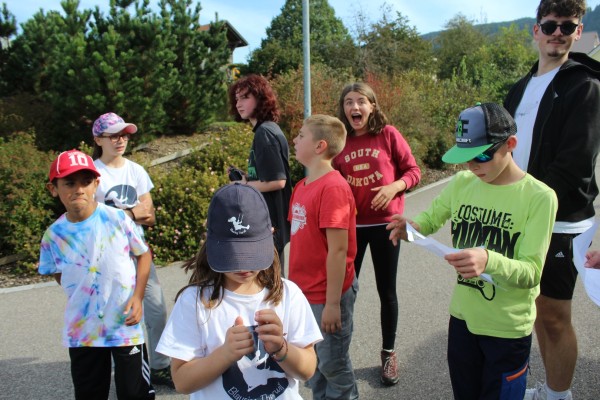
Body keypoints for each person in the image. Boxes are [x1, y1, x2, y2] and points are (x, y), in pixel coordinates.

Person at [387, 103, 558, 400]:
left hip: (507, 330)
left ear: (510, 144)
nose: (472, 166)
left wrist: (489, 260)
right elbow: (430, 219)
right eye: (465, 157)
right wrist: (411, 227)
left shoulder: (539, 197)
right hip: (463, 322)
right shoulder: (462, 183)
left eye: (481, 156)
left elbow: (532, 273)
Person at [503, 1, 600, 398]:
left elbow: (575, 163)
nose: (557, 32)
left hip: (562, 220)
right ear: (536, 30)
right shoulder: (520, 87)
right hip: (521, 214)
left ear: (578, 32)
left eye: (567, 26)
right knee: (537, 310)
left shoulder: (585, 85)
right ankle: (549, 389)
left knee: (556, 315)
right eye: (549, 25)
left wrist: (525, 204)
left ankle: (560, 395)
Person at [155, 183, 322, 399]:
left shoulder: (288, 294)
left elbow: (307, 370)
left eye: (251, 254)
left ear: (271, 235)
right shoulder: (194, 301)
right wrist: (225, 354)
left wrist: (282, 348)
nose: (243, 267)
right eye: (232, 255)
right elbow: (181, 381)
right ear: (210, 241)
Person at [38, 150, 155, 400]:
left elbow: (144, 254)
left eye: (86, 181)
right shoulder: (53, 235)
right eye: (70, 183)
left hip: (124, 324)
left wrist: (137, 297)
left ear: (96, 184)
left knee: (135, 394)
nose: (79, 189)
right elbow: (57, 273)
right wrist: (82, 289)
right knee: (89, 393)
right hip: (83, 331)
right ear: (53, 189)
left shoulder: (117, 219)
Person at [332, 82, 421, 385]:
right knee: (344, 292)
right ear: (343, 109)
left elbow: (413, 171)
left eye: (360, 101)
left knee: (387, 291)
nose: (354, 107)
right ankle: (338, 357)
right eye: (348, 102)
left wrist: (395, 186)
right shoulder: (340, 142)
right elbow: (331, 181)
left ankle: (388, 353)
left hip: (386, 225)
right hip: (352, 228)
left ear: (372, 106)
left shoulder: (388, 134)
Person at [91, 112, 173, 388]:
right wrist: (131, 212)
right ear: (98, 139)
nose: (121, 140)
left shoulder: (136, 171)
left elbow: (150, 215)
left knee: (156, 310)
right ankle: (124, 371)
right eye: (113, 135)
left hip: (139, 254)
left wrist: (119, 213)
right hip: (107, 258)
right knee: (116, 312)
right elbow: (93, 218)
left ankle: (160, 366)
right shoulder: (92, 174)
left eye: (124, 135)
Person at [289, 114, 359, 399]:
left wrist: (332, 304)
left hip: (327, 295)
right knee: (313, 366)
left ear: (319, 146)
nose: (294, 140)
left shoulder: (333, 188)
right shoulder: (301, 186)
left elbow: (338, 251)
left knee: (333, 363)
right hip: (303, 294)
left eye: (301, 135)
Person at [228, 74, 292, 272]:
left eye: (245, 97)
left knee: (270, 280)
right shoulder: (265, 131)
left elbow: (278, 181)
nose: (239, 104)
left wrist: (242, 185)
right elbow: (267, 176)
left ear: (261, 99)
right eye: (237, 98)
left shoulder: (265, 133)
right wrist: (246, 178)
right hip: (270, 223)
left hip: (271, 224)